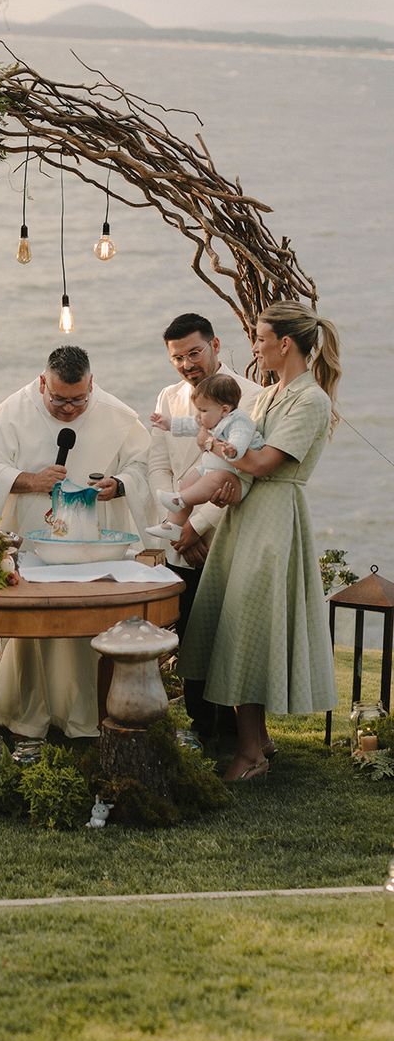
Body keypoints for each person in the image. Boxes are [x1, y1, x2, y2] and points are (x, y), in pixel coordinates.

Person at [177, 301, 341, 781]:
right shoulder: (268, 395)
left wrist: (212, 447)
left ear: (283, 344)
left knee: (248, 629)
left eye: (260, 338)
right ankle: (259, 739)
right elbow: (243, 462)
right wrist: (227, 481)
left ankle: (249, 755)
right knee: (232, 627)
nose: (255, 346)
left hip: (273, 523)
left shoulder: (310, 400)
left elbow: (265, 462)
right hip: (244, 517)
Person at [0, 345, 155, 739]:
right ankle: (27, 713)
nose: (69, 409)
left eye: (78, 400)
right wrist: (29, 480)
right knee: (36, 624)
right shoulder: (11, 413)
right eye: (58, 400)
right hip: (34, 544)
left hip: (94, 546)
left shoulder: (118, 417)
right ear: (41, 384)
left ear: (92, 384)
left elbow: (144, 465)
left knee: (86, 627)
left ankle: (87, 714)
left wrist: (118, 485)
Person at [148, 313, 261, 741]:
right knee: (190, 628)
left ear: (215, 344)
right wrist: (177, 528)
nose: (187, 364)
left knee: (229, 630)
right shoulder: (169, 396)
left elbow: (241, 475)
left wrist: (196, 526)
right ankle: (203, 724)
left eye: (194, 352)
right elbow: (158, 463)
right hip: (179, 529)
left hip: (227, 530)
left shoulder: (251, 396)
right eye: (178, 357)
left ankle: (239, 727)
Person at [148, 373, 265, 537]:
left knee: (214, 479)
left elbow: (240, 436)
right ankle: (172, 526)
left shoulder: (239, 420)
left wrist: (233, 448)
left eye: (203, 410)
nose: (199, 415)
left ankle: (179, 500)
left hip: (236, 479)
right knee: (188, 481)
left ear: (224, 409)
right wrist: (168, 423)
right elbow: (188, 424)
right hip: (209, 470)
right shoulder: (212, 419)